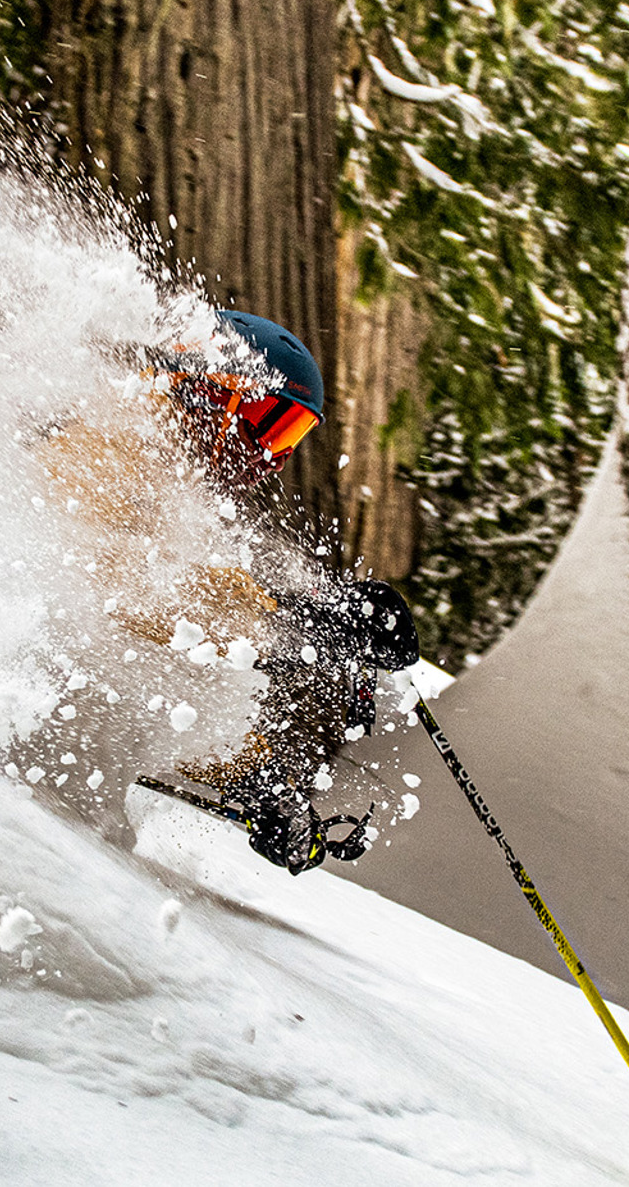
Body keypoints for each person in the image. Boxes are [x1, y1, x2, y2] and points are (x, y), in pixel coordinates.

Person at [61, 309, 424, 872]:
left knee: (316, 673)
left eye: (287, 436)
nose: (267, 456)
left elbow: (185, 610)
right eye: (262, 420)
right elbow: (117, 585)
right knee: (299, 661)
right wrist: (296, 617)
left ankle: (260, 773)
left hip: (70, 749)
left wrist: (264, 780)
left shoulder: (175, 481)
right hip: (16, 710)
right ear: (204, 390)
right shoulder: (114, 439)